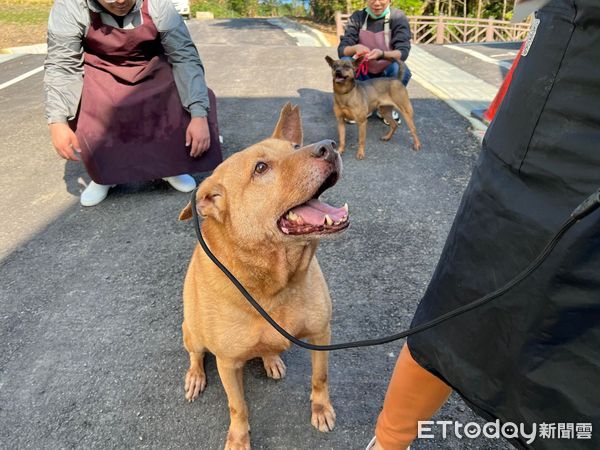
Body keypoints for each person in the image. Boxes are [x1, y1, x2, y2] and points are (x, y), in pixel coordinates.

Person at [366, 0, 600, 448]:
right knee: (468, 295)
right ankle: (389, 441)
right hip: (578, 67)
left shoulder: (395, 19)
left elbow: (403, 50)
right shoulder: (366, 18)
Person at [44, 0, 222, 206]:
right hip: (101, 71)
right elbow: (61, 65)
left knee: (177, 100)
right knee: (91, 112)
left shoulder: (158, 4)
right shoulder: (70, 6)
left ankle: (172, 167)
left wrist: (198, 114)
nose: (120, 1)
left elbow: (184, 57)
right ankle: (104, 176)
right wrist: (57, 121)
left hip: (151, 67)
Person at [338, 0, 412, 124]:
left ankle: (385, 108)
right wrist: (355, 48)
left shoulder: (398, 17)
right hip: (363, 74)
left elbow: (402, 53)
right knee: (345, 62)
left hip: (385, 76)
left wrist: (382, 54)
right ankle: (357, 106)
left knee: (400, 69)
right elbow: (342, 50)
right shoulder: (358, 17)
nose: (376, 3)